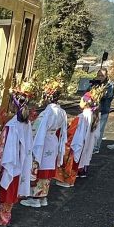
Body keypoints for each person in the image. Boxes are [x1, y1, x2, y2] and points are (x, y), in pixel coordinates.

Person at [0, 81, 35, 227]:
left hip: (9, 164)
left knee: (2, 191)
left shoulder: (11, 125)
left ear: (14, 103)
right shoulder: (26, 122)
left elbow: (2, 148)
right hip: (19, 163)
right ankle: (6, 217)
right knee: (11, 191)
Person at [21, 78, 66, 208]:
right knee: (48, 168)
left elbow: (37, 129)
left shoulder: (47, 113)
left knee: (40, 167)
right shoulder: (61, 112)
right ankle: (43, 197)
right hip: (53, 140)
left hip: (44, 141)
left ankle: (35, 198)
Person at [55, 90, 96, 188]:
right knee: (76, 162)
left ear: (85, 102)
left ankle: (68, 181)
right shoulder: (93, 114)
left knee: (70, 162)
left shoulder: (81, 117)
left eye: (81, 100)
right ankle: (70, 180)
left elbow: (72, 131)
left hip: (76, 142)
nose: (80, 102)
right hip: (85, 143)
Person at [92, 70, 114, 153]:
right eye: (98, 75)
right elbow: (87, 92)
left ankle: (96, 147)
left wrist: (99, 92)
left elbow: (107, 96)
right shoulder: (94, 83)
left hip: (103, 110)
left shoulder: (109, 85)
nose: (100, 77)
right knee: (91, 128)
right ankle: (90, 145)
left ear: (106, 76)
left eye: (102, 76)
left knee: (99, 129)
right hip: (92, 110)